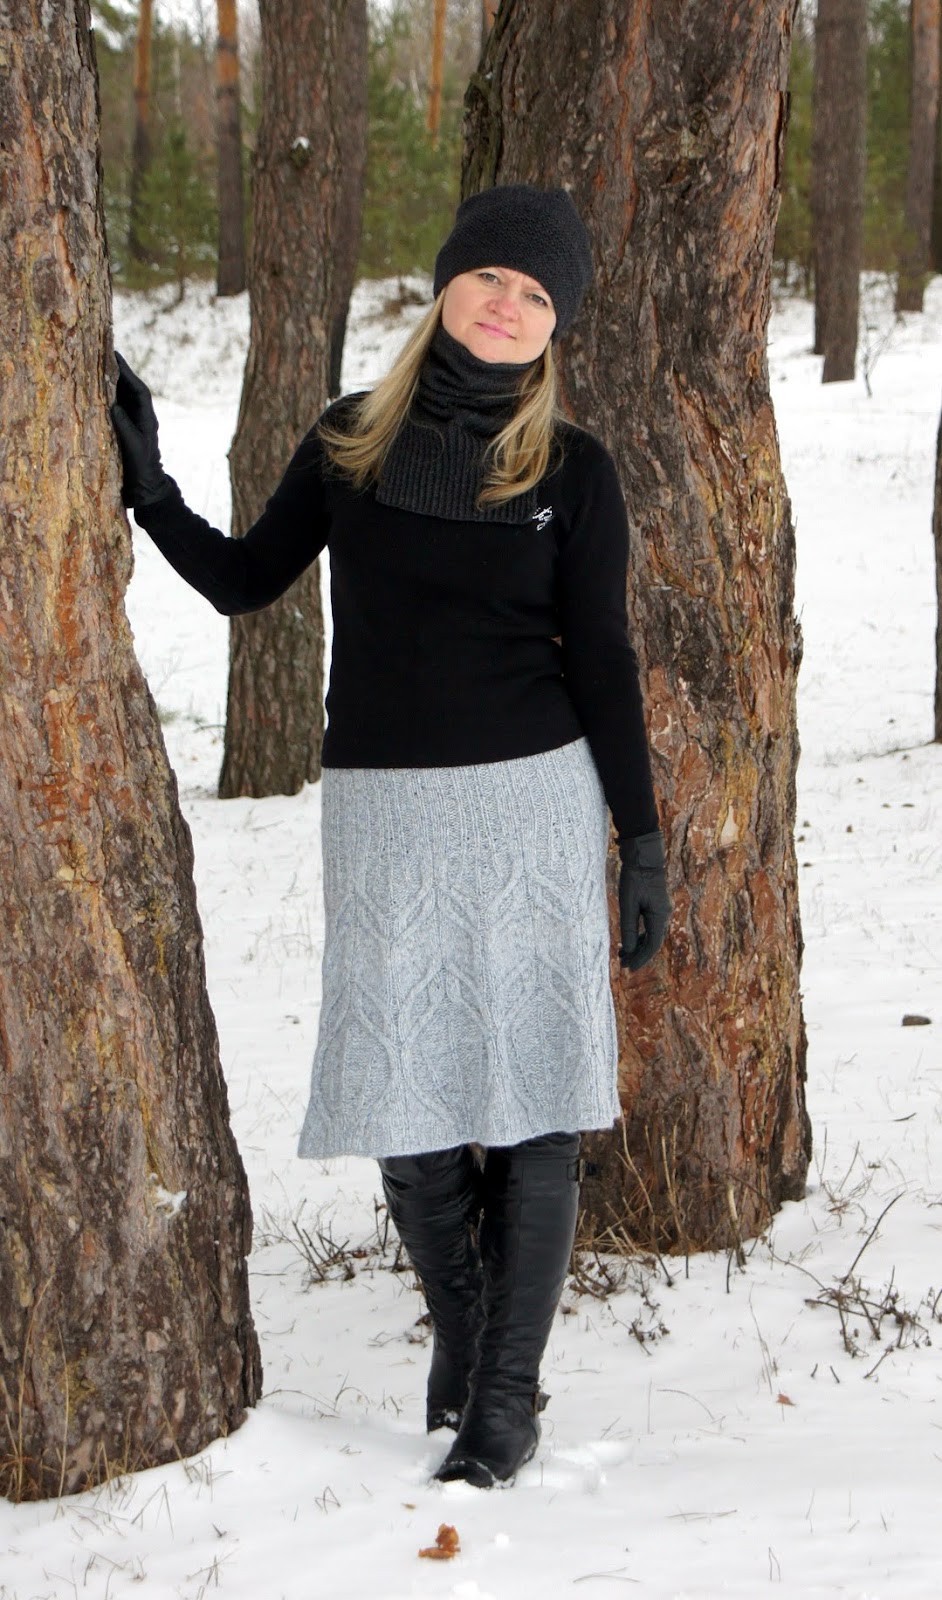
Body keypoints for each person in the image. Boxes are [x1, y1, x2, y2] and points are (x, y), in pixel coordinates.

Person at [111, 183, 671, 1490]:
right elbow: (249, 582)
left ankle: (504, 1400)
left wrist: (640, 841)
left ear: (556, 325)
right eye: (491, 278)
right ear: (446, 282)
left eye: (535, 294)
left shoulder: (572, 472)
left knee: (533, 1096)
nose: (506, 305)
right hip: (382, 810)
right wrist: (149, 487)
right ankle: (464, 1334)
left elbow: (603, 660)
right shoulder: (351, 440)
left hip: (531, 804)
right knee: (401, 1095)